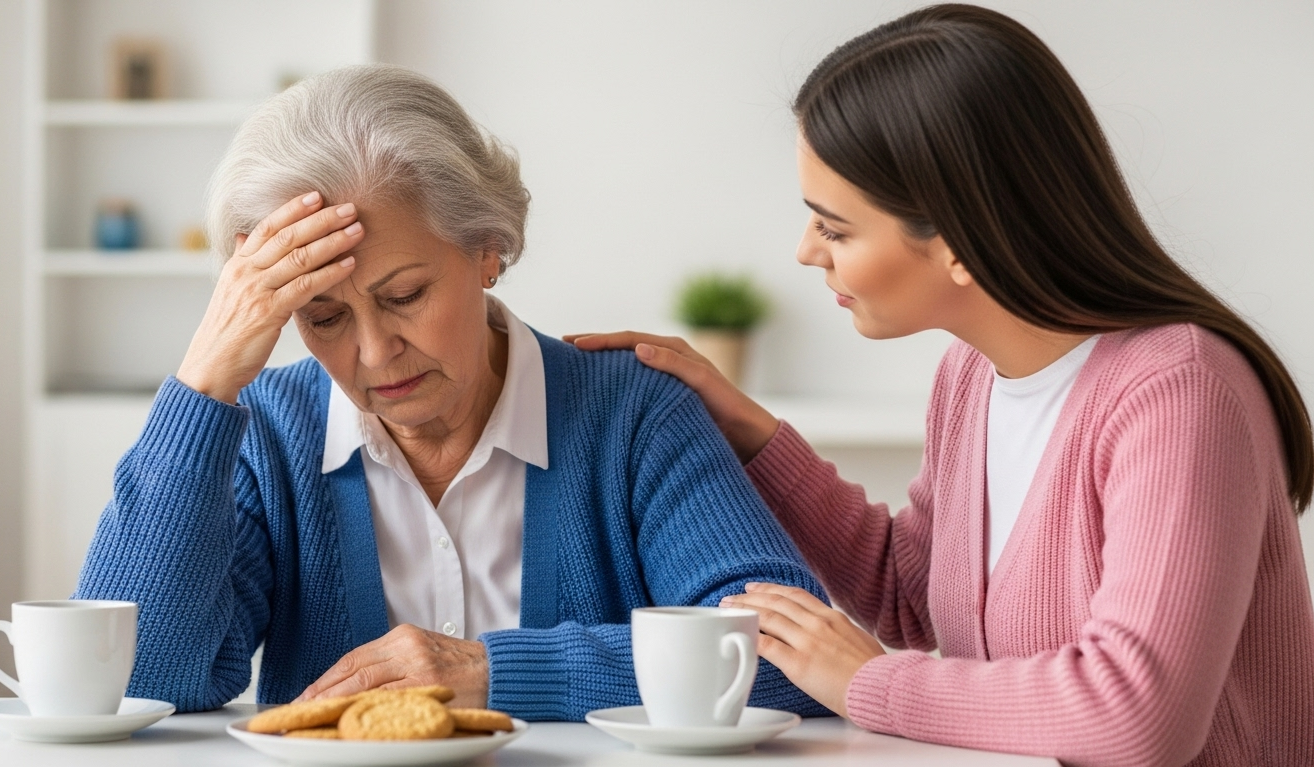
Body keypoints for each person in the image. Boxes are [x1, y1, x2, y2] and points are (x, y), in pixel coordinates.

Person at [572, 5, 1314, 765]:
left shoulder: (1179, 392)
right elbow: (912, 590)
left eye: (835, 228)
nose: (805, 252)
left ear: (959, 239)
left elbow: (1136, 712)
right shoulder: (971, 376)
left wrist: (868, 681)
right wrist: (751, 433)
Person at [73, 64, 829, 721]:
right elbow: (139, 680)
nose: (374, 352)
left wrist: (494, 672)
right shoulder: (264, 432)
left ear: (486, 248)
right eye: (324, 315)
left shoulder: (634, 412)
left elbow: (786, 657)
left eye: (403, 294)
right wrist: (204, 382)